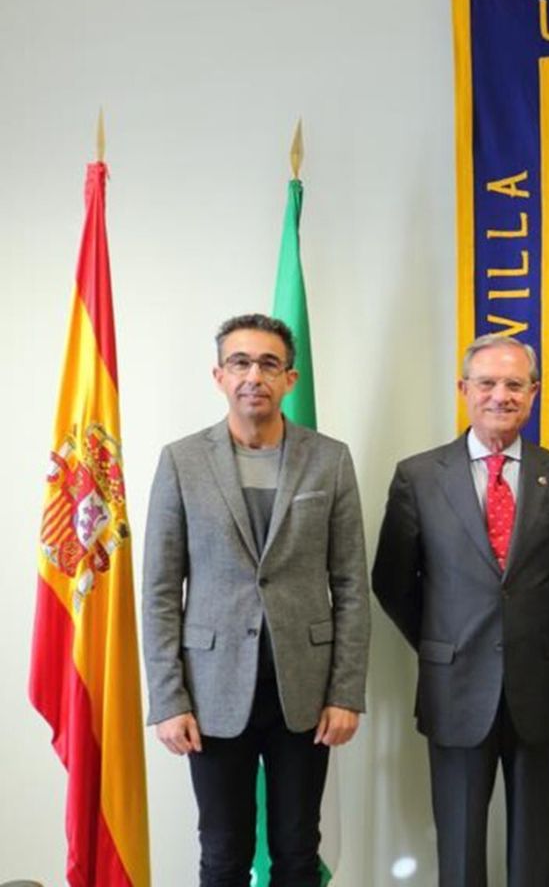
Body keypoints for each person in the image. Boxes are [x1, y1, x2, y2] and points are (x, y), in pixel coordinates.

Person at [142, 313, 369, 887]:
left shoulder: (330, 459)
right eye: (240, 362)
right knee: (223, 853)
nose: (254, 376)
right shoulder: (181, 461)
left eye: (269, 364)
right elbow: (162, 590)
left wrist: (345, 693)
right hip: (212, 692)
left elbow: (349, 584)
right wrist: (168, 700)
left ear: (290, 378)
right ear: (219, 374)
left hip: (305, 693)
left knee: (296, 852)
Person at [372, 335, 549, 887]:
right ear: (464, 390)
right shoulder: (419, 476)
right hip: (454, 684)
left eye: (515, 384)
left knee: (535, 850)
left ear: (534, 393)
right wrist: (442, 640)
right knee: (461, 849)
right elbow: (393, 580)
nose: (501, 395)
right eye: (487, 383)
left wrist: (539, 636)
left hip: (536, 681)